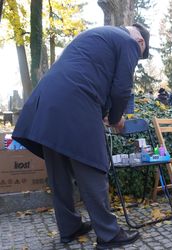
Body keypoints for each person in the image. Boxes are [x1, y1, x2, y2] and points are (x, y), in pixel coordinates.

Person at [12, 23, 150, 249]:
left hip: (47, 99)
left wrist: (104, 112)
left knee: (59, 170)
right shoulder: (129, 43)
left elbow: (93, 74)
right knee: (93, 166)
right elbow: (122, 88)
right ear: (141, 43)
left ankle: (69, 227)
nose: (136, 57)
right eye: (140, 56)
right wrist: (116, 118)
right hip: (76, 101)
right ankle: (108, 234)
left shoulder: (97, 34)